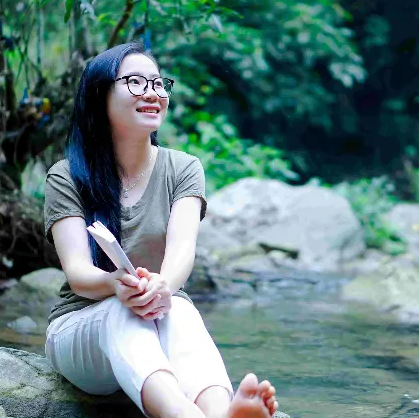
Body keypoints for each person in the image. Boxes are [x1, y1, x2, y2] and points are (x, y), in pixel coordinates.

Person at [43, 42, 279, 418]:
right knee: (122, 311)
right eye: (136, 83)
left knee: (181, 311)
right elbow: (78, 275)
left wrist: (162, 287)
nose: (153, 93)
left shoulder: (183, 169)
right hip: (81, 331)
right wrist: (117, 286)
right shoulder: (67, 176)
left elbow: (182, 251)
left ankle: (222, 412)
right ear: (100, 95)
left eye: (158, 83)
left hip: (160, 316)